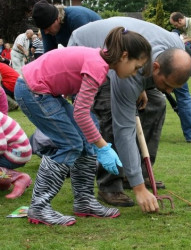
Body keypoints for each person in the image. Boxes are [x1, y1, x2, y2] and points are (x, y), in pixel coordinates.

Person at [14, 27, 152, 226]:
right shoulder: (97, 65)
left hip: (44, 92)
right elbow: (80, 113)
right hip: (32, 91)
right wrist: (103, 146)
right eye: (136, 66)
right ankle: (39, 207)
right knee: (70, 144)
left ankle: (84, 201)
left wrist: (95, 141)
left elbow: (81, 106)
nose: (135, 73)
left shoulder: (99, 62)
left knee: (88, 138)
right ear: (124, 56)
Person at [68, 17, 191, 210]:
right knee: (108, 111)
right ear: (156, 68)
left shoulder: (176, 48)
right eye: (167, 85)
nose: (169, 92)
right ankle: (110, 184)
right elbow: (124, 129)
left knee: (157, 103)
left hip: (134, 63)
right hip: (90, 52)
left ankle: (138, 173)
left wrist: (142, 86)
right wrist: (139, 190)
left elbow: (146, 77)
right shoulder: (130, 74)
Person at [32, 0, 101, 53]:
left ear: (58, 19)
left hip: (103, 44)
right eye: (43, 29)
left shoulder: (76, 18)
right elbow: (49, 55)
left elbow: (86, 52)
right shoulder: (46, 28)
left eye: (47, 27)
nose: (46, 32)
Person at [0, 110, 32, 199]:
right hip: (14, 151)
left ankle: (18, 178)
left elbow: (1, 146)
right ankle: (4, 182)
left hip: (17, 153)